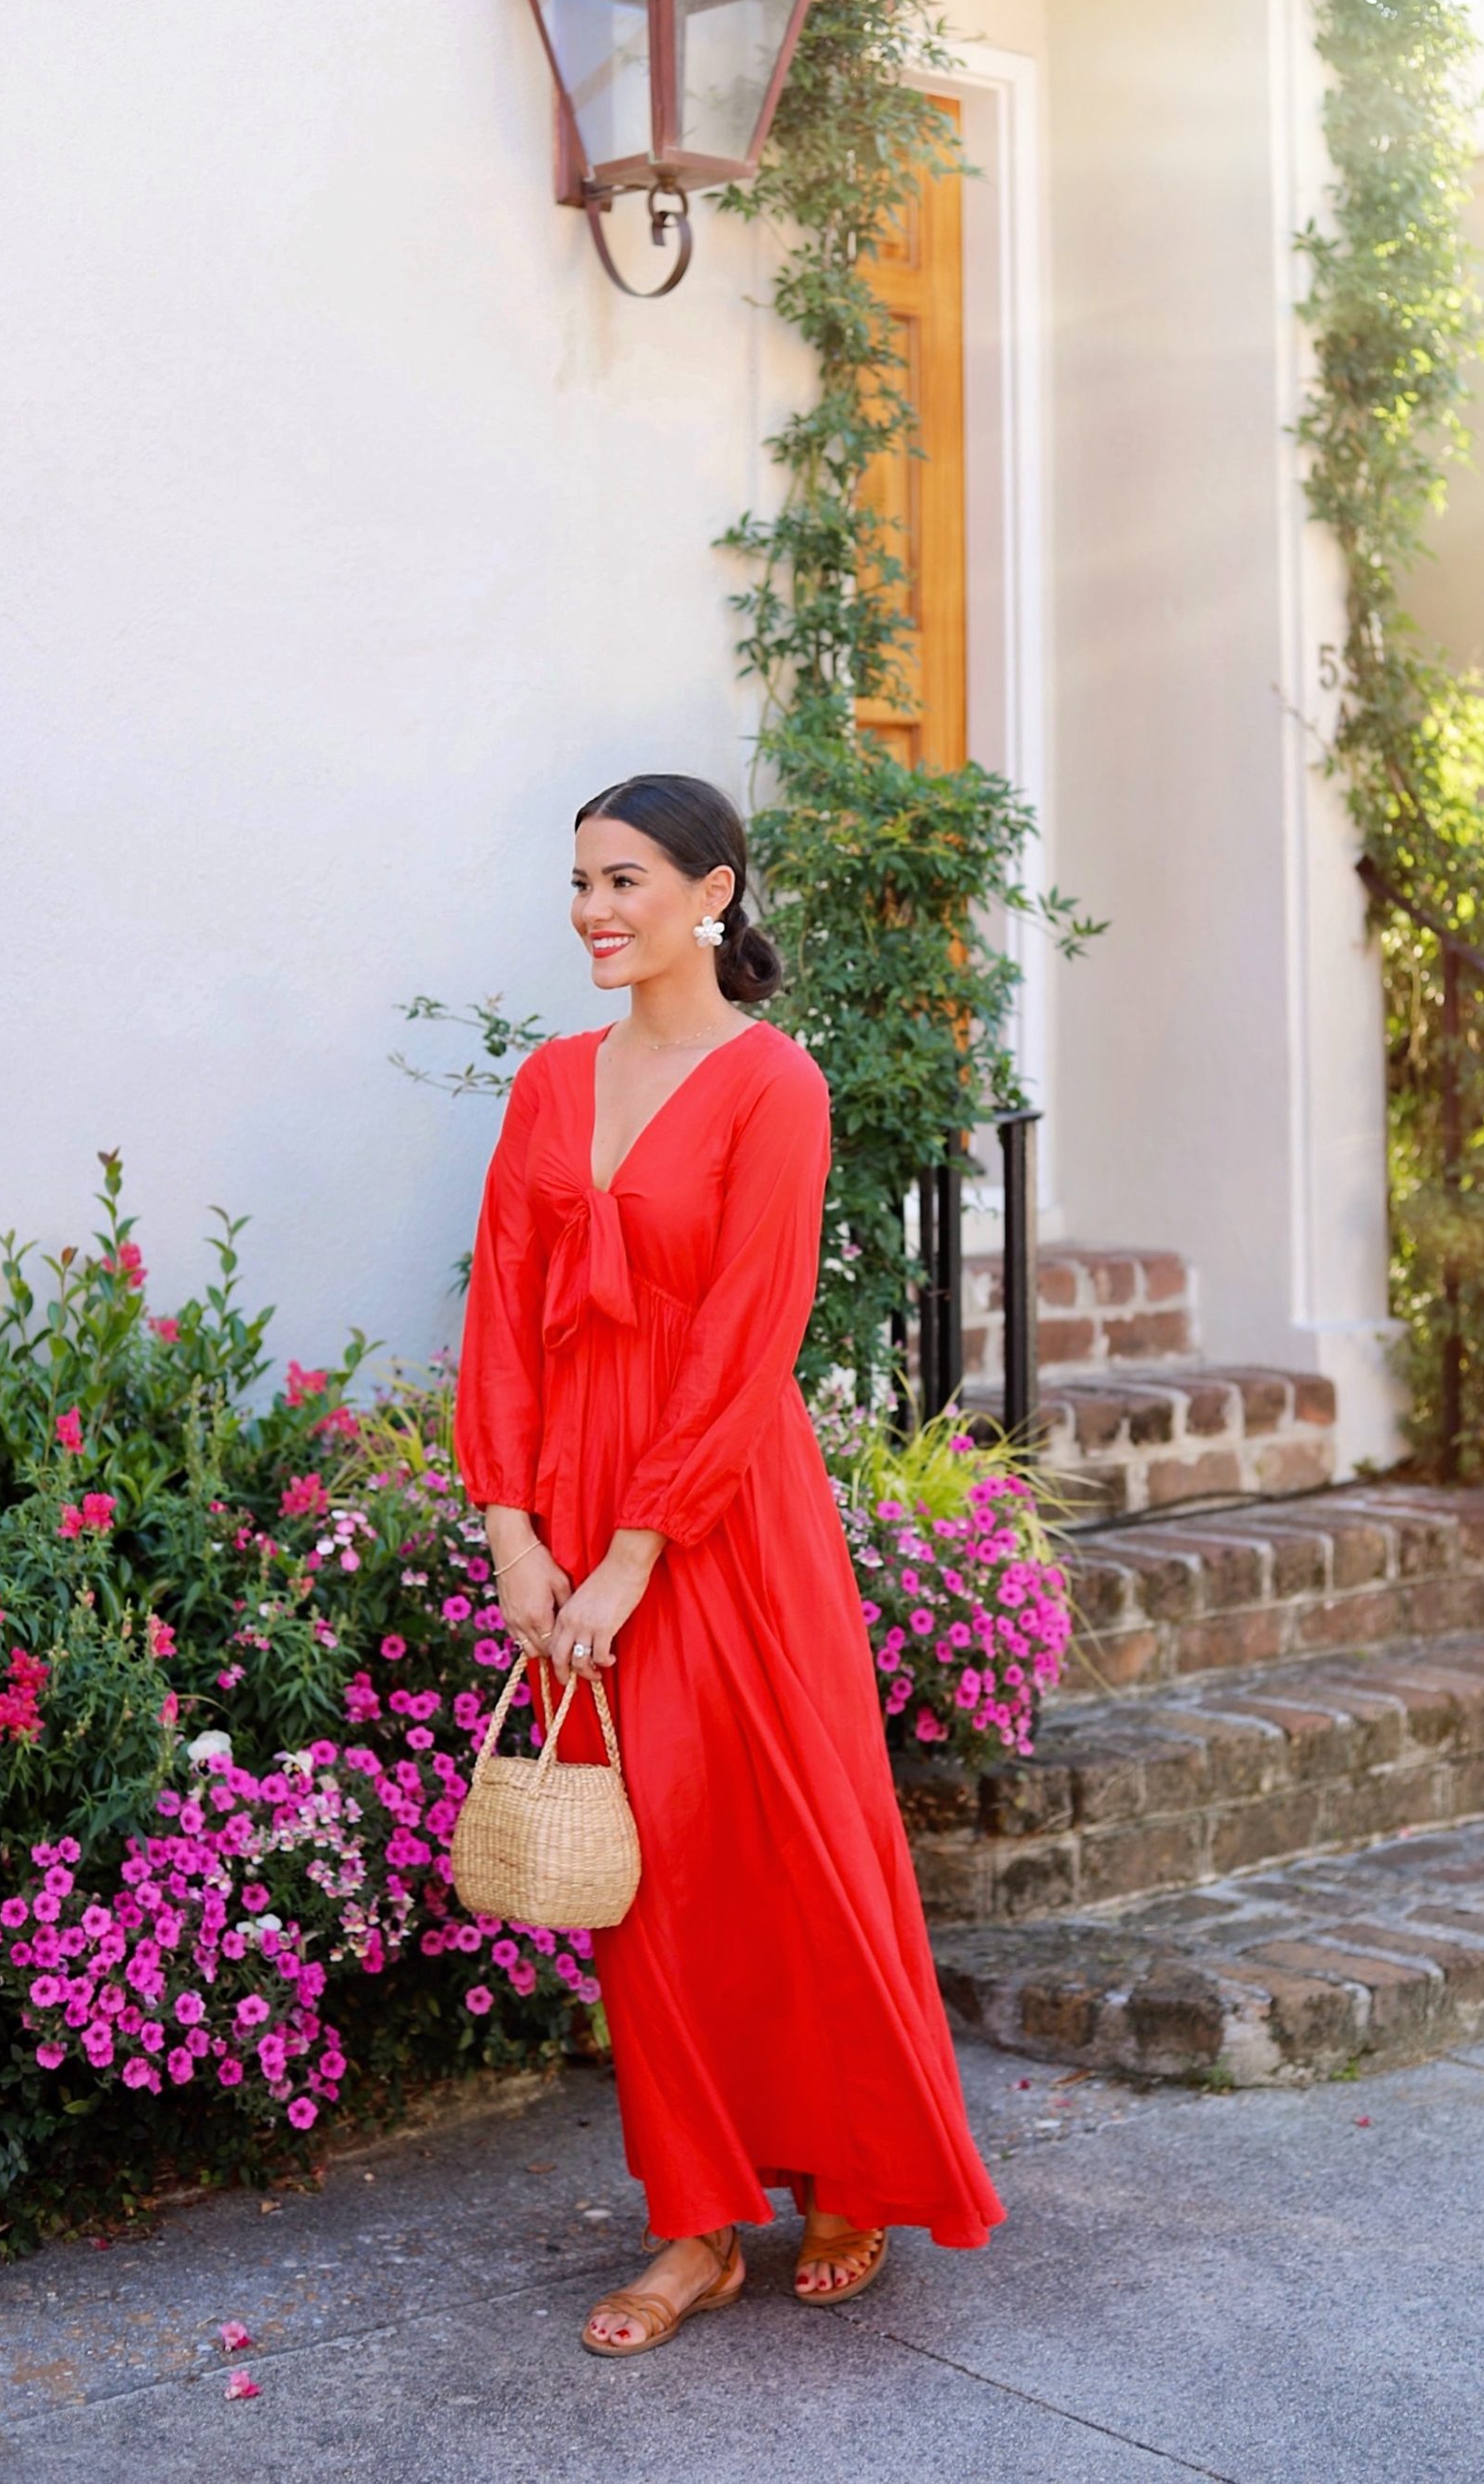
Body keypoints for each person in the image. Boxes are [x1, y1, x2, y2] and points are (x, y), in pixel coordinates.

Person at [455, 772, 1004, 2359]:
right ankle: (692, 2227)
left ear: (713, 893)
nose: (594, 913)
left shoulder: (777, 1086)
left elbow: (749, 1340)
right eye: (579, 884)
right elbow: (499, 1306)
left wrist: (634, 1554)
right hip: (569, 1501)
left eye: (624, 881)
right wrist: (514, 1531)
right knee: (655, 1872)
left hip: (724, 1515)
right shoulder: (551, 1083)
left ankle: (856, 2169)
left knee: (792, 1836)